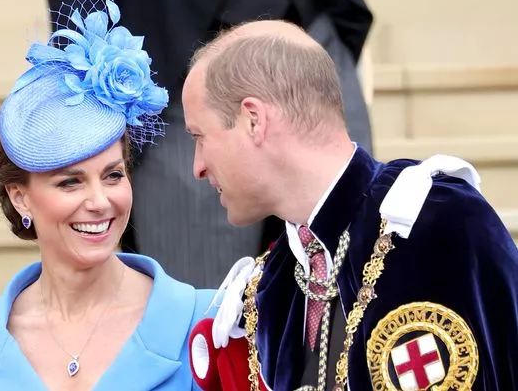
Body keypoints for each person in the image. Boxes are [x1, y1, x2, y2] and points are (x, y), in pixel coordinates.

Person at [182, 20, 518, 391]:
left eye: (199, 136)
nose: (197, 167)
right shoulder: (269, 286)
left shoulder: (437, 221)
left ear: (253, 120)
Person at [0, 0, 215, 391]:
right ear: (20, 197)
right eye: (70, 182)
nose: (100, 202)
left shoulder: (202, 319)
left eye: (113, 175)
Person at [43, 0, 374, 288]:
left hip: (312, 28)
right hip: (172, 50)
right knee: (204, 307)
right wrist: (92, 89)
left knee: (359, 277)